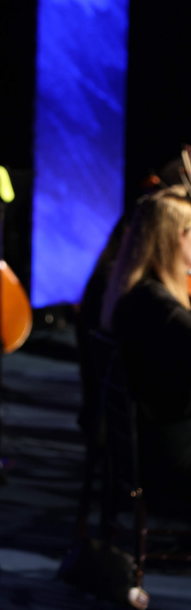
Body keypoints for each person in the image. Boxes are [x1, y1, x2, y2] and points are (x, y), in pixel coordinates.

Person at [101, 187, 191, 511]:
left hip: (147, 445)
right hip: (169, 456)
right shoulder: (157, 306)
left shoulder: (137, 293)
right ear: (175, 238)